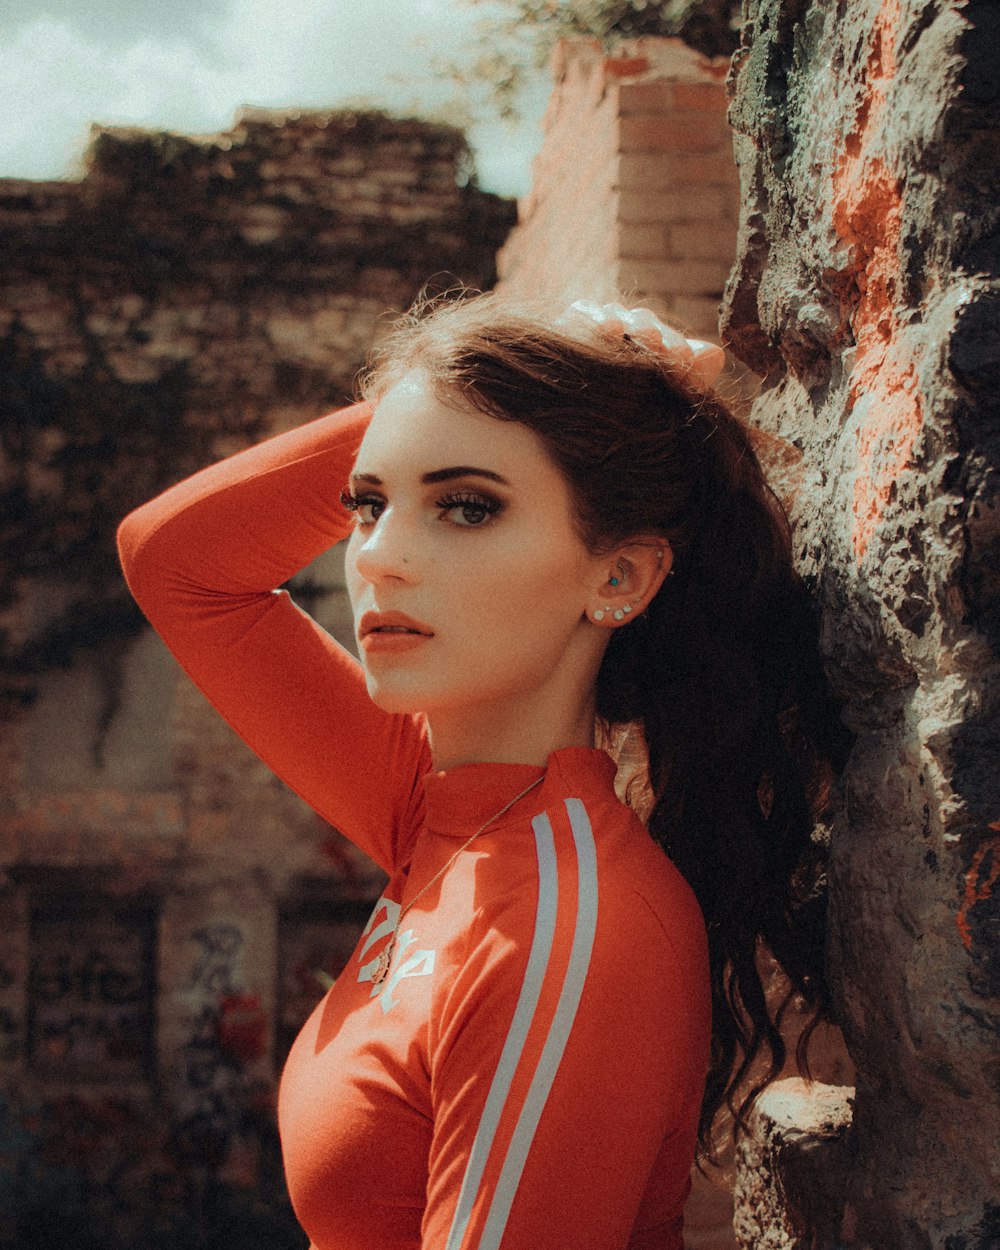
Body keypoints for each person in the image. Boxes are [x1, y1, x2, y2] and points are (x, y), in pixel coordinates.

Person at [117, 294, 839, 1250]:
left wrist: (518, 386)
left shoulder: (569, 927)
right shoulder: (438, 812)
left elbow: (179, 564)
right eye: (367, 505)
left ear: (617, 578)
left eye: (465, 507)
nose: (379, 557)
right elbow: (178, 560)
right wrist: (460, 383)